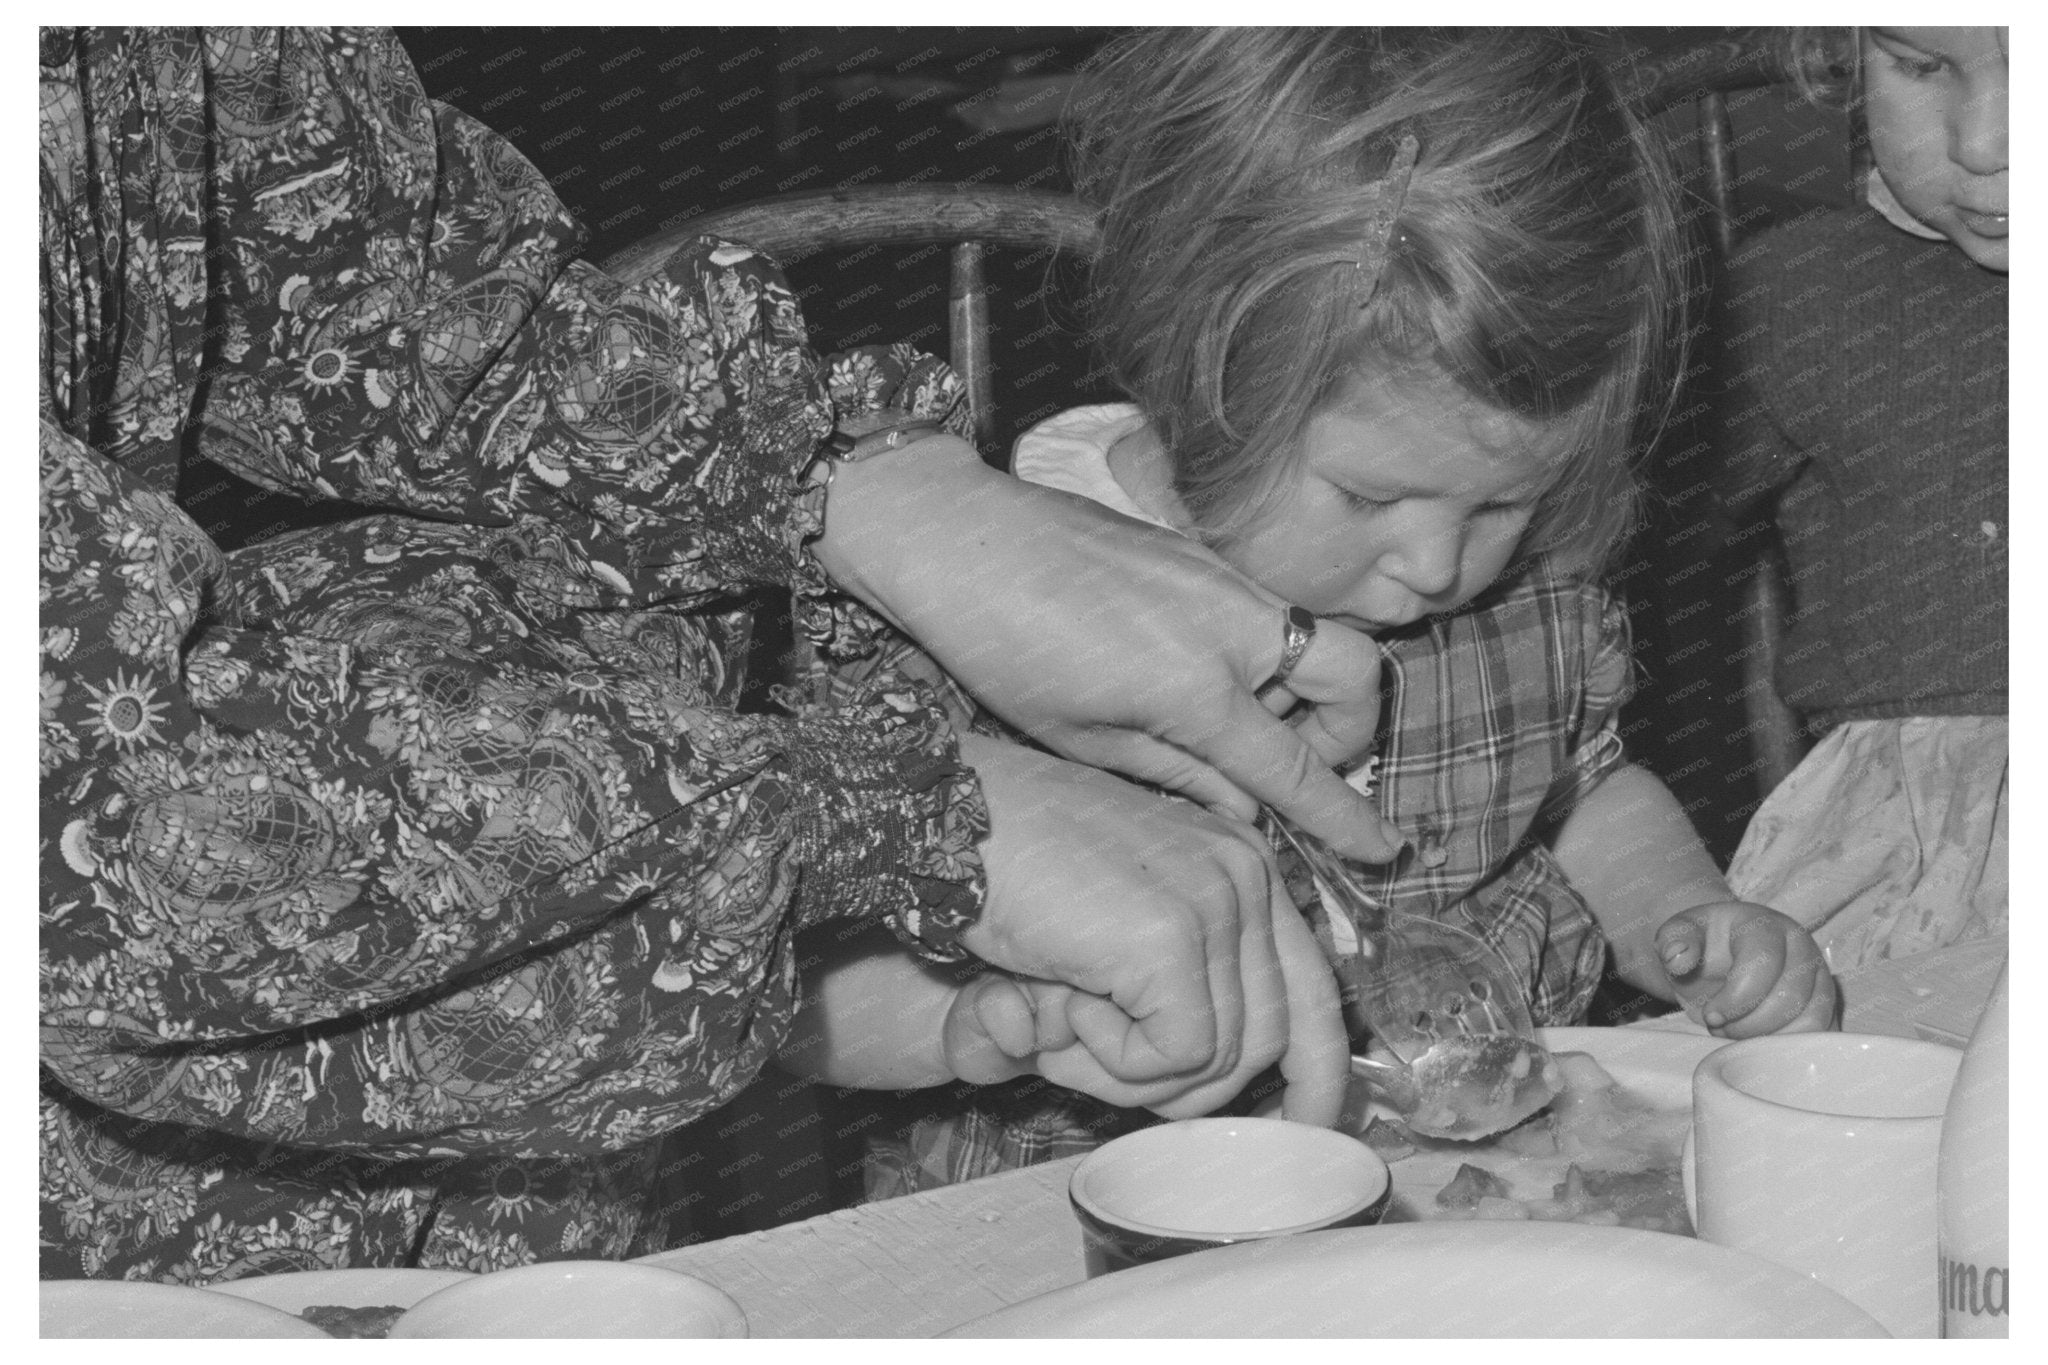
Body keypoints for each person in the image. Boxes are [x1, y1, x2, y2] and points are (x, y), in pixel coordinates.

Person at [38, 27, 1391, 1281]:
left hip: (497, 1227)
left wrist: (877, 494)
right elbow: (85, 824)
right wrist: (890, 815)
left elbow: (351, 262)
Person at [776, 27, 1840, 1197]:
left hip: (1477, 1198)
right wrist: (970, 1015)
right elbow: (793, 992)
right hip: (1092, 1222)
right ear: (1193, 369)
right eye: (1367, 496)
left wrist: (1688, 918)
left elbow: (1581, 796)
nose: (1436, 566)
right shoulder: (981, 604)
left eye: (1504, 501)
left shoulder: (1517, 587)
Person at [1713, 27, 2008, 974]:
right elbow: (1588, 541)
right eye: (1917, 65)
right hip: (1916, 854)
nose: (1985, 142)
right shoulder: (1805, 292)